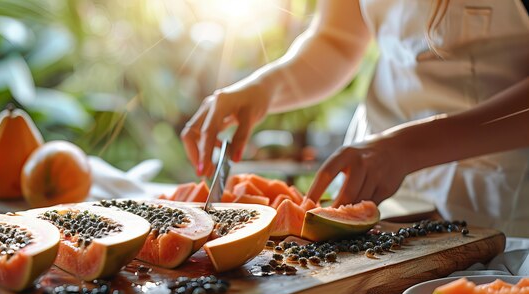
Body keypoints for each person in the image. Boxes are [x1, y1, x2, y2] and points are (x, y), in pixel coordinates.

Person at [181, 0, 529, 236]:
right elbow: (336, 40)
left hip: (500, 192)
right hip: (373, 173)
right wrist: (264, 87)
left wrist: (410, 148)